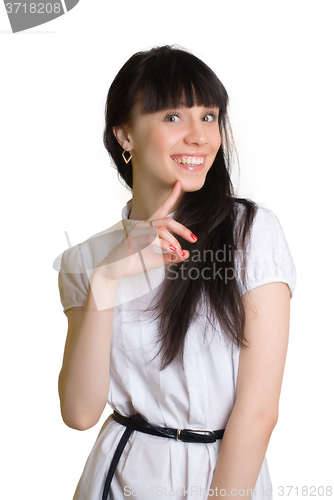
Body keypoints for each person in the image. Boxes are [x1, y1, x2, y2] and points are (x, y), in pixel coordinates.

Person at [57, 45, 297, 500]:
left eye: (208, 116)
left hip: (225, 480)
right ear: (125, 135)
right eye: (173, 117)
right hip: (117, 478)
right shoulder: (87, 261)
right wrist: (106, 281)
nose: (200, 136)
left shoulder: (251, 233)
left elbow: (259, 409)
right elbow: (80, 412)